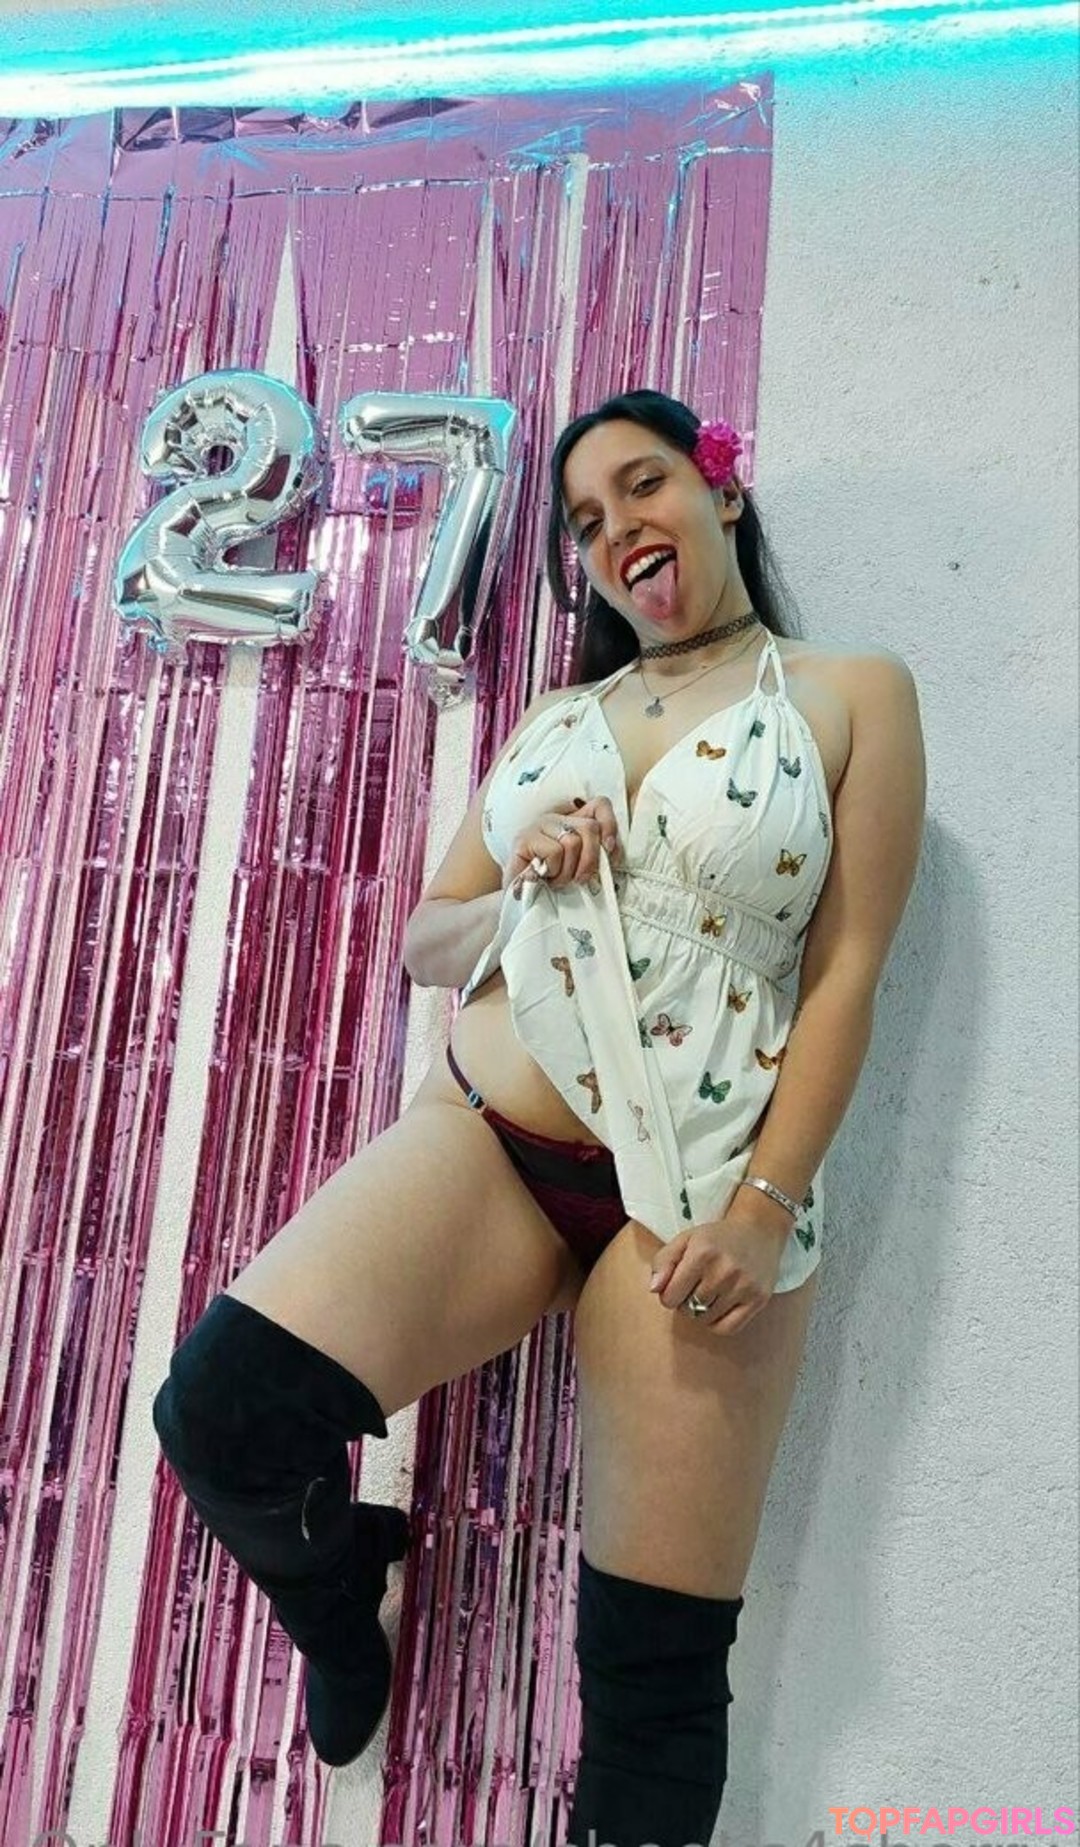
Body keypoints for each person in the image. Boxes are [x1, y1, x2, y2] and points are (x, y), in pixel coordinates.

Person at [152, 388, 926, 1843]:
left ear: (722, 492)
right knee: (219, 1414)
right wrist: (525, 881)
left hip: (695, 1207)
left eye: (644, 485)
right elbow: (427, 941)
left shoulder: (850, 693)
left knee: (654, 1687)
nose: (618, 527)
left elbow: (847, 976)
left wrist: (764, 1213)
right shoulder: (559, 719)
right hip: (487, 1154)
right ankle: (346, 1587)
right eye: (585, 519)